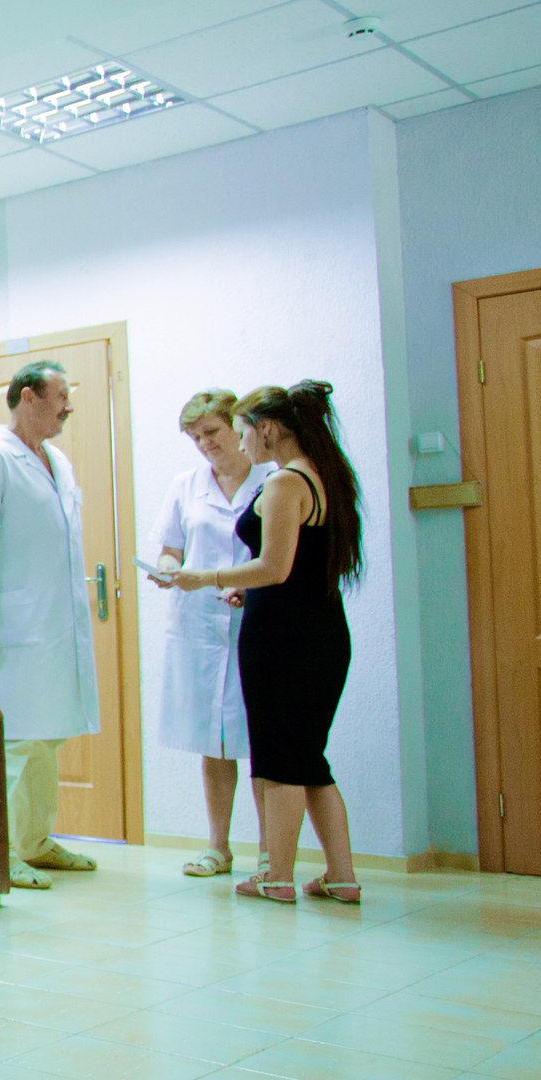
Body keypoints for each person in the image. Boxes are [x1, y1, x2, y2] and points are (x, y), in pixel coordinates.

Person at [170, 381, 362, 904]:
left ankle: (276, 876)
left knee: (279, 762)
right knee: (309, 761)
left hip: (283, 639)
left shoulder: (283, 483)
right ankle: (342, 876)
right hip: (320, 631)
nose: (239, 440)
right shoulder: (325, 475)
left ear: (269, 428)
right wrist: (244, 588)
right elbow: (299, 567)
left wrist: (207, 577)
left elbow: (274, 567)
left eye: (242, 430)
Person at [0, 360, 102, 891]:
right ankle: (3, 851)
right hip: (14, 628)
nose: (69, 407)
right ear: (29, 397)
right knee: (14, 741)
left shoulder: (57, 461)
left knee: (47, 737)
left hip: (56, 626)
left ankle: (36, 841)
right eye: (61, 396)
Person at [146, 390, 271, 879]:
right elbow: (171, 548)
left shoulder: (271, 478)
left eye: (212, 432)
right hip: (199, 624)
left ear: (237, 426)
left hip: (256, 619)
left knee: (263, 741)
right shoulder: (187, 485)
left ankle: (271, 852)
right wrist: (166, 567)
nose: (205, 444)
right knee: (213, 741)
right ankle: (218, 847)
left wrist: (244, 586)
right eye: (196, 437)